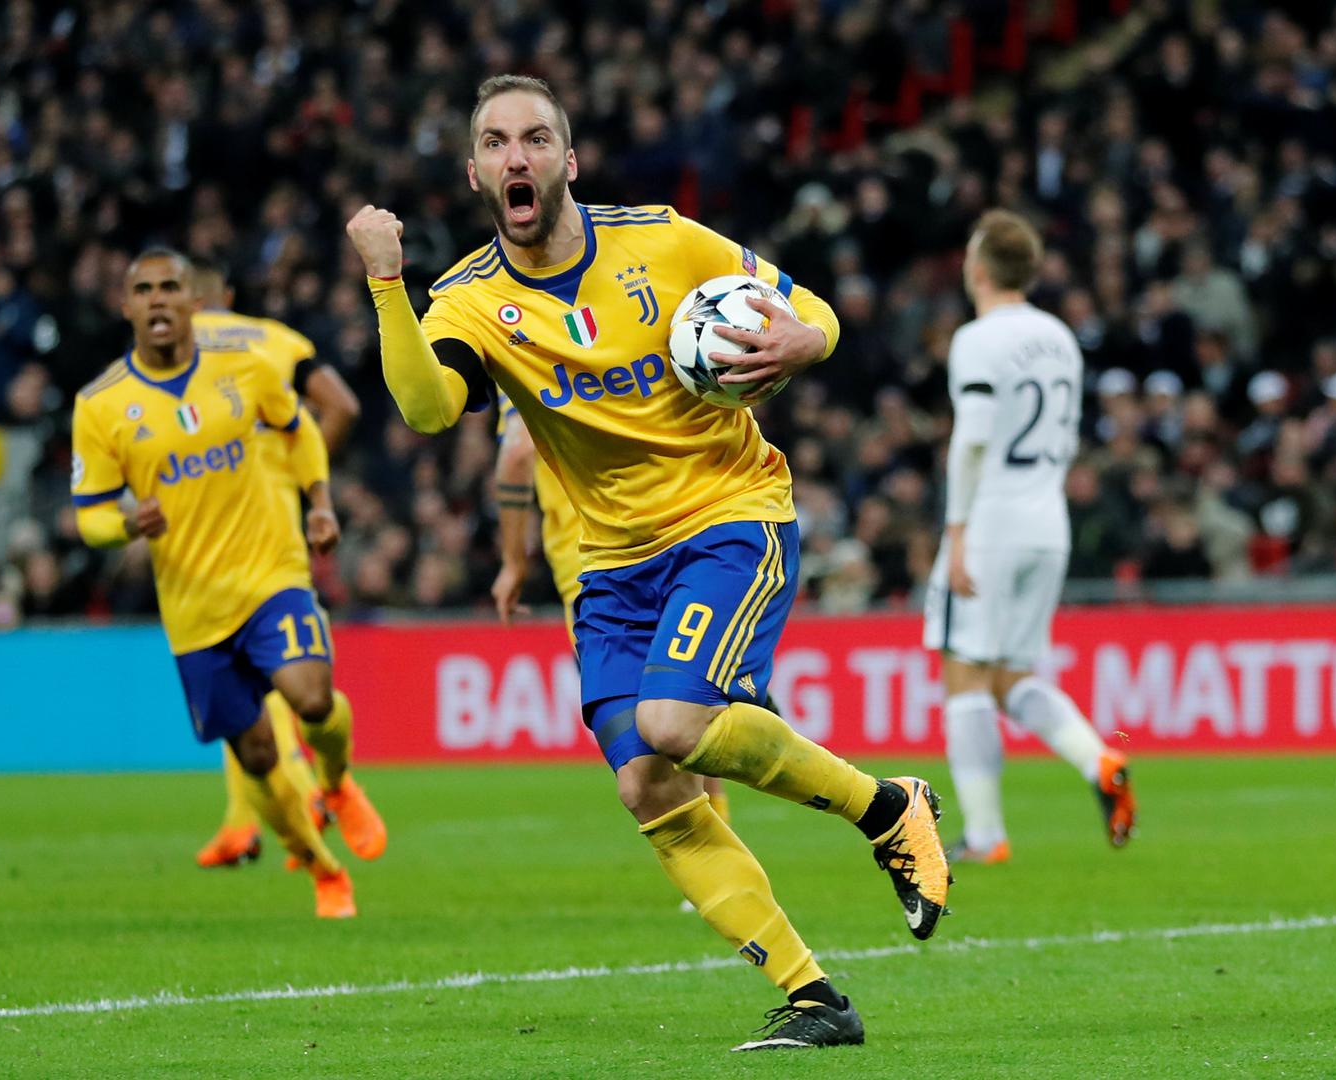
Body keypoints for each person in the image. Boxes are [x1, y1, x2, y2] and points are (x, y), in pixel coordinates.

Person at [348, 75, 949, 1052]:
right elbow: (426, 410)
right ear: (474, 173)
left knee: (674, 722)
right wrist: (388, 286)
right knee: (648, 785)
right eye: (495, 142)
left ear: (569, 159)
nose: (516, 156)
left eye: (535, 138)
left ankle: (886, 809)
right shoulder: (467, 300)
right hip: (611, 568)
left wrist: (806, 339)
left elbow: (809, 308)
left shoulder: (665, 240)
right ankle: (814, 998)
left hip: (728, 519)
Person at [71, 248, 356, 918]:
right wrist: (126, 524)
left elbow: (300, 432)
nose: (158, 299)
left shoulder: (245, 367)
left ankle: (336, 781)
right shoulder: (100, 405)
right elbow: (89, 517)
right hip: (194, 609)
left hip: (270, 574)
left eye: (170, 287)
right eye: (144, 289)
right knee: (256, 754)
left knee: (312, 696)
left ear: (193, 302)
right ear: (126, 306)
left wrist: (319, 502)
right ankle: (321, 865)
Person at [922, 210, 1137, 866]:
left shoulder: (977, 338)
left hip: (991, 521)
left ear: (979, 269)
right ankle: (1100, 759)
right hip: (1047, 521)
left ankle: (986, 835)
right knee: (1011, 676)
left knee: (963, 675)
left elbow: (973, 439)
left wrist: (957, 532)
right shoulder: (1059, 337)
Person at [188, 258, 386, 873]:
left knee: (269, 696)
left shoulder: (159, 370)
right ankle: (255, 818)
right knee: (265, 701)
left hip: (211, 555)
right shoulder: (274, 342)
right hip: (266, 543)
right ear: (226, 292)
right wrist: (306, 487)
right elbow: (342, 407)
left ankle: (307, 799)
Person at [492, 395, 733, 861]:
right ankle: (722, 843)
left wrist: (513, 562)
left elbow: (518, 452)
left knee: (648, 754)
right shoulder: (613, 357)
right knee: (687, 710)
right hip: (671, 543)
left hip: (596, 573)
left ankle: (714, 862)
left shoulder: (521, 362)